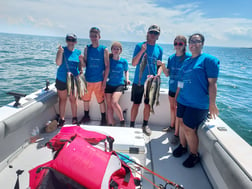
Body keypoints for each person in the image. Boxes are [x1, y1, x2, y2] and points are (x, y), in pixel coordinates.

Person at [172, 33, 220, 168]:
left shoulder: (209, 60)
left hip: (198, 103)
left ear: (202, 44)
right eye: (191, 41)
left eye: (197, 41)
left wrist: (212, 103)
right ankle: (182, 146)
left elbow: (212, 83)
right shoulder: (186, 62)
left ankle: (194, 155)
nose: (193, 43)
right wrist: (176, 96)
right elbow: (181, 82)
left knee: (188, 128)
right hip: (183, 100)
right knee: (180, 123)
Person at [130, 24, 163, 135]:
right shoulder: (140, 45)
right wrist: (141, 51)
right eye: (151, 32)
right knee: (136, 104)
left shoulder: (159, 49)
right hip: (138, 81)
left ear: (158, 35)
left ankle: (145, 124)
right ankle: (131, 125)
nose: (153, 35)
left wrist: (158, 74)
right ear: (148, 33)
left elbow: (159, 66)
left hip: (151, 82)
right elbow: (134, 63)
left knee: (148, 104)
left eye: (156, 33)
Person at [158, 35, 191, 145]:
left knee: (178, 112)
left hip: (182, 91)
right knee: (172, 108)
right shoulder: (171, 58)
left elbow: (187, 77)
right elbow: (167, 74)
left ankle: (176, 134)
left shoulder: (188, 58)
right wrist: (162, 66)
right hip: (172, 88)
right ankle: (171, 126)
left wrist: (178, 92)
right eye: (175, 43)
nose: (177, 46)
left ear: (184, 45)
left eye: (180, 44)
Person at [80, 27, 109, 125]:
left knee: (101, 101)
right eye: (92, 36)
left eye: (95, 36)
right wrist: (81, 59)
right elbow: (85, 65)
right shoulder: (87, 48)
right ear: (89, 37)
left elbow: (107, 67)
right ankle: (86, 116)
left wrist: (104, 81)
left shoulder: (104, 49)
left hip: (99, 80)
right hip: (87, 79)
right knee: (86, 100)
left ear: (99, 37)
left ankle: (103, 118)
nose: (93, 38)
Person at [55, 33, 84, 127]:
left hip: (73, 79)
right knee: (62, 99)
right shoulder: (62, 50)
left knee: (73, 99)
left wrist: (81, 68)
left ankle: (74, 118)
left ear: (75, 42)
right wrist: (60, 52)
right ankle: (62, 119)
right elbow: (58, 63)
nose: (71, 42)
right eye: (69, 39)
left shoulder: (78, 52)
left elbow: (81, 65)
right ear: (66, 40)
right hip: (62, 79)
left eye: (72, 40)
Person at [105, 42, 130, 126]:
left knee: (114, 102)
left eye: (117, 49)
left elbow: (126, 71)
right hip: (109, 84)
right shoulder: (109, 61)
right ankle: (110, 123)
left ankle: (122, 120)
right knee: (109, 105)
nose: (116, 50)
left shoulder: (124, 61)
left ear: (120, 51)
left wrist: (127, 79)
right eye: (114, 48)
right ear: (111, 50)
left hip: (119, 85)